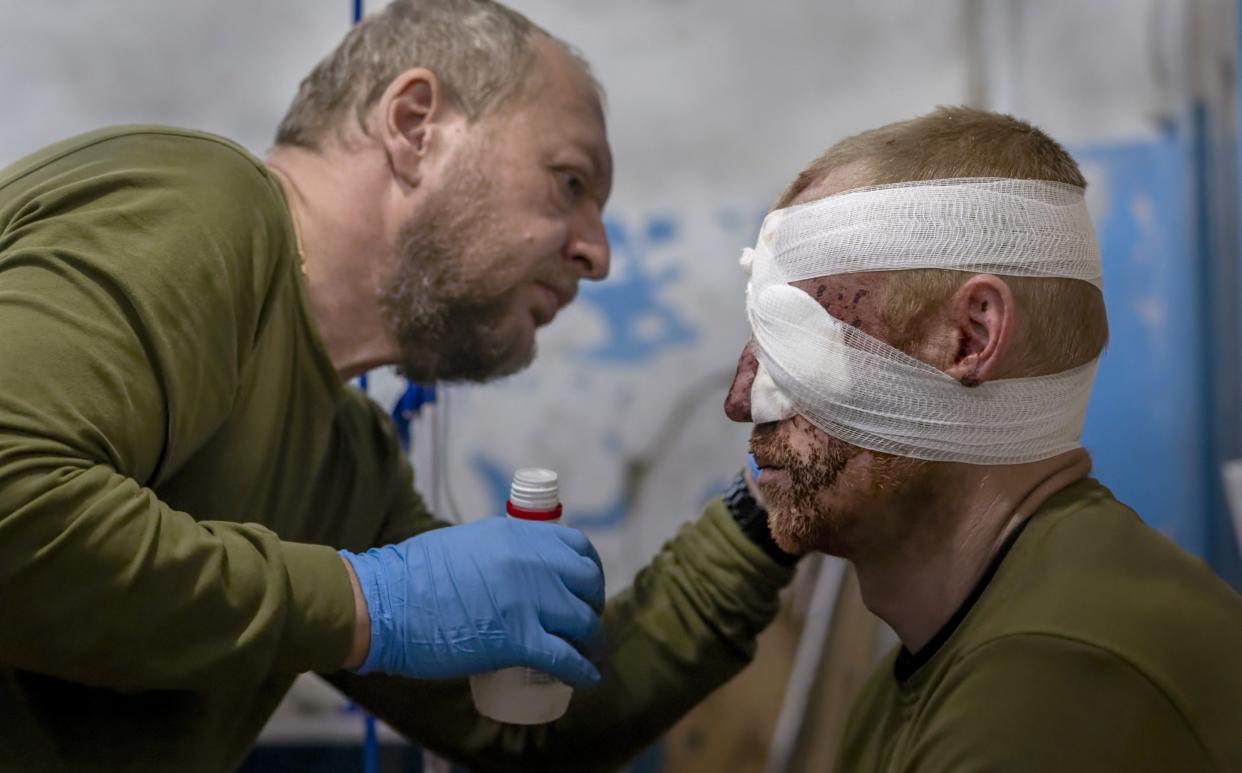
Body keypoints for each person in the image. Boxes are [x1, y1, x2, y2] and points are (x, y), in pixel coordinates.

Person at [0, 1, 796, 770]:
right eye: (569, 182)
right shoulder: (201, 204)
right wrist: (361, 602)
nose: (598, 253)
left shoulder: (347, 462)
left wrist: (761, 514)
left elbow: (533, 724)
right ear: (416, 125)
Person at [724, 106, 1242, 772]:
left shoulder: (1051, 682)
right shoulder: (919, 682)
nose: (740, 400)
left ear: (969, 337)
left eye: (794, 334)